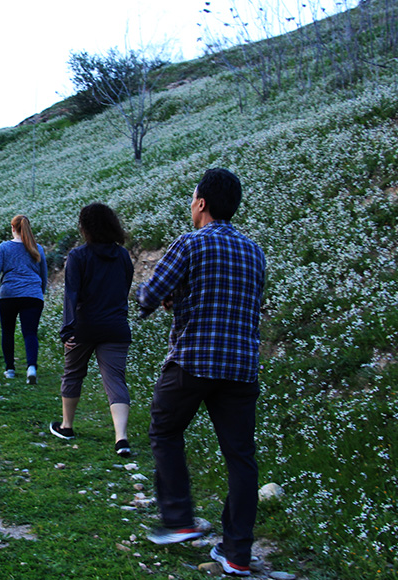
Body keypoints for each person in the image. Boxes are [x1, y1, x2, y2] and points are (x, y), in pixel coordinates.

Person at [136, 168, 266, 577]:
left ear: (202, 204)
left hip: (194, 359)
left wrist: (158, 299)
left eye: (193, 199)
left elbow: (149, 296)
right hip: (242, 366)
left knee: (164, 429)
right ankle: (238, 553)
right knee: (241, 458)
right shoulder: (254, 251)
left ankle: (179, 519)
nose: (191, 205)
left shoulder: (190, 243)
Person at [50, 202, 134, 458]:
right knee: (115, 380)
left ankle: (67, 427)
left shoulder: (78, 256)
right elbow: (125, 287)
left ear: (85, 227)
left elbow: (71, 294)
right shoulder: (123, 256)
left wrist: (67, 330)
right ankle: (121, 437)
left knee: (73, 373)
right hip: (116, 327)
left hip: (85, 326)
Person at [0, 215, 48, 384]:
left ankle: (10, 369)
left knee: (8, 331)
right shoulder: (37, 248)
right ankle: (31, 367)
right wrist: (40, 293)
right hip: (32, 295)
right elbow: (44, 276)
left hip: (8, 295)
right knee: (30, 332)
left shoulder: (4, 247)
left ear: (12, 228)